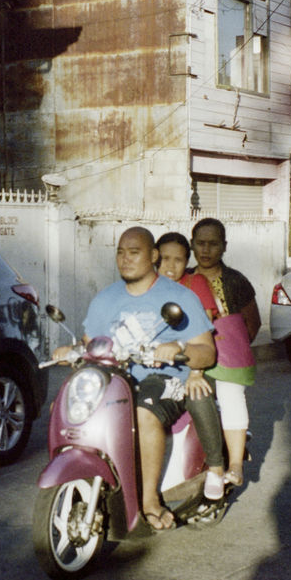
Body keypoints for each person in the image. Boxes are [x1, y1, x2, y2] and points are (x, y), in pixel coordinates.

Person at [55, 227, 216, 531]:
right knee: (67, 407)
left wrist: (179, 349)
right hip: (113, 380)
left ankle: (150, 500)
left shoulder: (180, 297)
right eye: (120, 252)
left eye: (134, 252)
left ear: (153, 256)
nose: (125, 259)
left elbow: (207, 352)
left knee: (143, 413)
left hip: (165, 380)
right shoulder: (105, 298)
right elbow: (91, 346)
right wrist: (71, 351)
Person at [154, 232, 229, 501]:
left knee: (197, 394)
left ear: (187, 262)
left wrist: (195, 372)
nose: (170, 266)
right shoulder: (148, 287)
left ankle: (216, 467)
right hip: (153, 366)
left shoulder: (194, 283)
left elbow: (204, 332)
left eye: (178, 260)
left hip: (194, 363)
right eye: (164, 259)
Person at [189, 217, 260, 487]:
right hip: (192, 356)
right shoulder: (185, 279)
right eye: (200, 243)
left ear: (224, 246)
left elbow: (252, 323)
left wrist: (233, 348)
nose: (206, 250)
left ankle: (235, 465)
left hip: (228, 359)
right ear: (192, 245)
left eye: (213, 244)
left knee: (230, 395)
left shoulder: (236, 281)